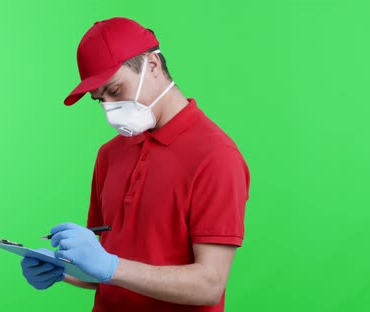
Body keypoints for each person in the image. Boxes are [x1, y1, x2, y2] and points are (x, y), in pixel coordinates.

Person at [20, 17, 250, 312]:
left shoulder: (216, 156)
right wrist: (61, 270)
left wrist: (110, 266)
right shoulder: (109, 154)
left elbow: (209, 285)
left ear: (152, 65)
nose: (109, 110)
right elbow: (103, 272)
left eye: (114, 91)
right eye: (99, 100)